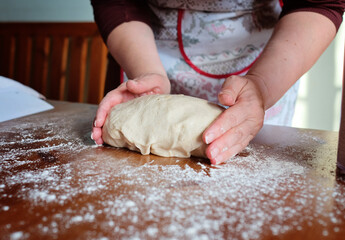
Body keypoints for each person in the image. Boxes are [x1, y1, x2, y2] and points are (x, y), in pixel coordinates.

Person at [90, 0, 345, 165]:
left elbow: (318, 2)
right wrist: (146, 70)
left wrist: (261, 86)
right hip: (143, 48)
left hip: (267, 62)